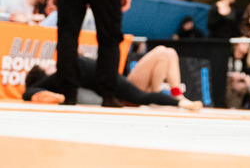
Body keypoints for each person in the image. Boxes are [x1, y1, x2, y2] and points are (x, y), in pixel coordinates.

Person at [23, 49, 202, 110]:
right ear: (44, 75)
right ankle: (177, 102)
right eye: (47, 66)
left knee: (167, 52)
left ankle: (176, 95)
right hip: (120, 88)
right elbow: (28, 92)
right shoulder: (56, 78)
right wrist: (51, 96)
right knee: (141, 97)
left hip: (120, 80)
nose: (52, 63)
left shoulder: (63, 72)